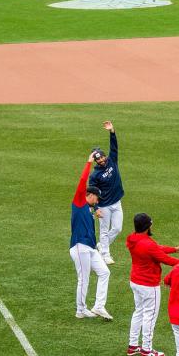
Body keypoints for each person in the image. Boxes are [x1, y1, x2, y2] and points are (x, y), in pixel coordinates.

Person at [126, 213, 179, 356]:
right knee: (149, 316)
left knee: (138, 312)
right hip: (149, 285)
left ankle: (133, 346)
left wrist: (175, 249)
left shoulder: (132, 238)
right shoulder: (147, 244)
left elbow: (157, 248)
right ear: (146, 227)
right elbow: (165, 259)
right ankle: (146, 350)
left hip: (136, 281)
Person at [69, 153, 112, 320]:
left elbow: (89, 212)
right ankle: (80, 310)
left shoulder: (88, 208)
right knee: (84, 278)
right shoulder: (79, 201)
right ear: (91, 195)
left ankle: (99, 306)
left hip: (90, 248)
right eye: (96, 199)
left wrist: (95, 211)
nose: (97, 201)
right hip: (80, 247)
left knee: (104, 272)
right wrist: (88, 162)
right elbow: (82, 182)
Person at [89, 121, 125, 265]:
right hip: (104, 205)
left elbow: (114, 146)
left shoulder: (112, 161)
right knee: (104, 230)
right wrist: (96, 209)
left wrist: (112, 131)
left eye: (102, 157)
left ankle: (102, 246)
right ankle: (105, 254)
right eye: (98, 159)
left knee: (117, 228)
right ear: (96, 162)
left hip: (116, 202)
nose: (102, 160)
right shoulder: (95, 175)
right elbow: (91, 193)